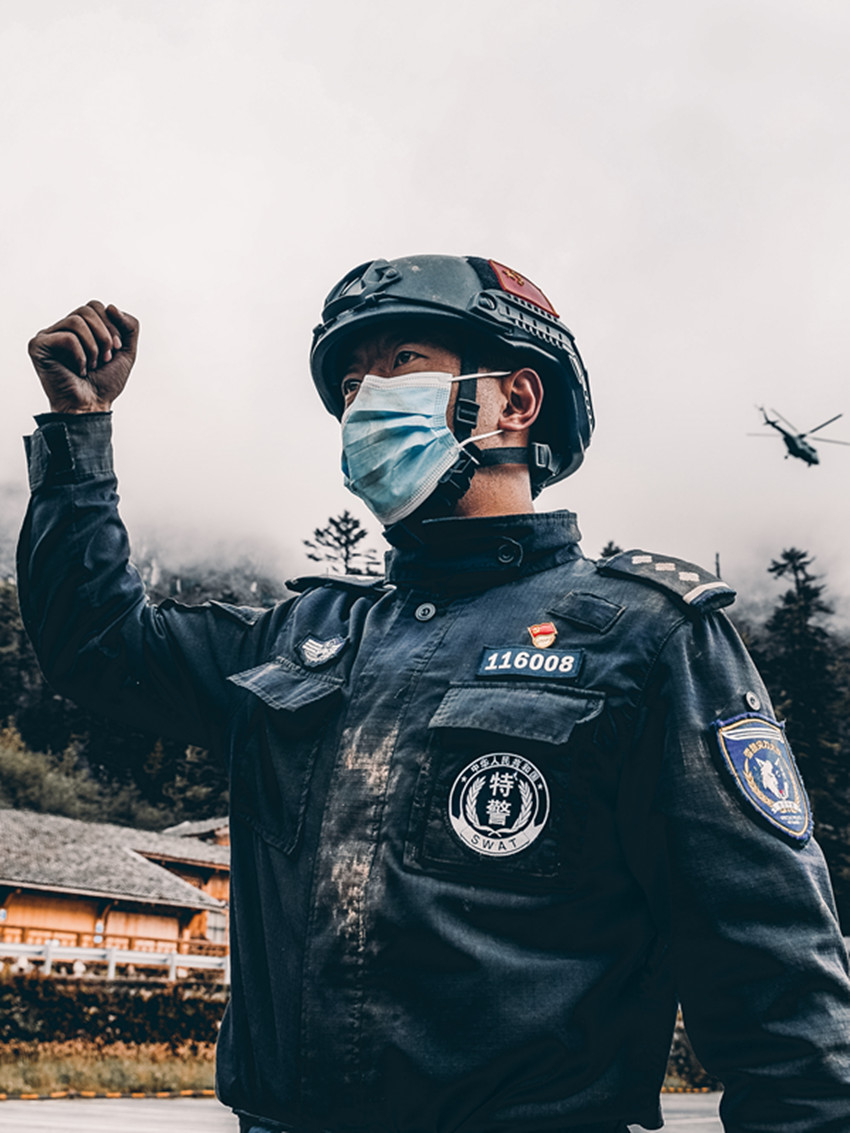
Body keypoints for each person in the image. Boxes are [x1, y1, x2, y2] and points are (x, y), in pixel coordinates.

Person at [18, 255, 850, 1133]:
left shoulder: (646, 637)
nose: (363, 403)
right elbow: (99, 646)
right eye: (350, 384)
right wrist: (79, 428)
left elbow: (776, 983)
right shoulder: (302, 634)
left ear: (516, 401)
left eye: (402, 364)